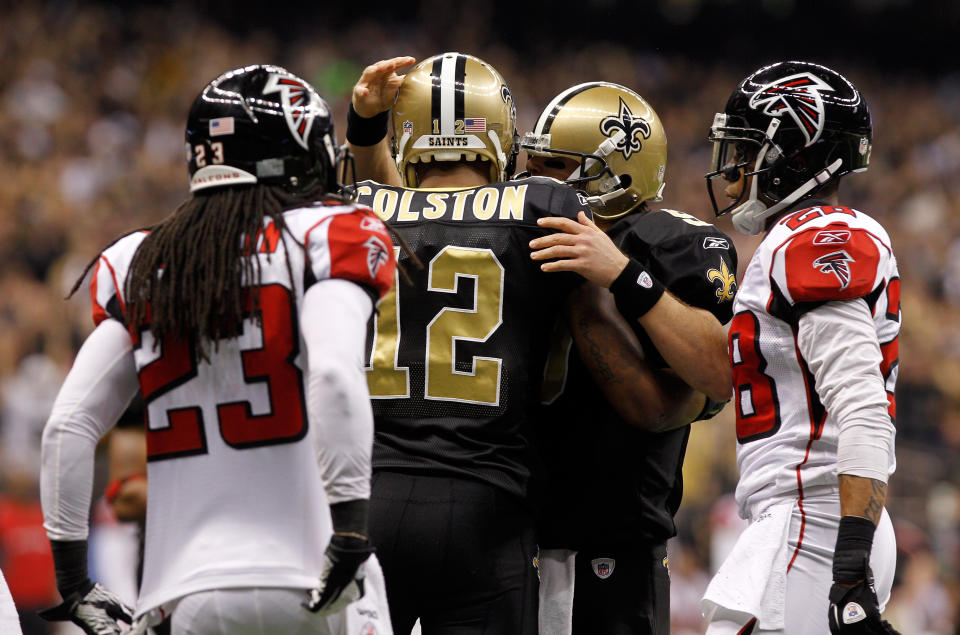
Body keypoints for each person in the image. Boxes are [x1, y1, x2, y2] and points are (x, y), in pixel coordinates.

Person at [39, 64, 395, 635]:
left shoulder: (138, 261)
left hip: (186, 592)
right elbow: (330, 373)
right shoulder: (327, 235)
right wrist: (350, 530)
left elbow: (67, 426)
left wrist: (73, 578)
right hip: (312, 574)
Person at [345, 54, 695, 635]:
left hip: (371, 493)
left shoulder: (354, 208)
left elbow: (412, 217)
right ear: (500, 133)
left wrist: (363, 128)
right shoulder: (544, 207)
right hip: (490, 503)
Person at [694, 61, 901, 634]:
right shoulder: (797, 237)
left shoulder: (815, 236)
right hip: (808, 519)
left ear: (797, 153)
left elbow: (861, 404)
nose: (733, 169)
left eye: (747, 149)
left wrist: (851, 566)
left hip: (815, 522)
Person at [523, 82, 736, 634]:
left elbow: (715, 374)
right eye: (533, 162)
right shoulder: (510, 229)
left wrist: (619, 274)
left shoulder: (670, 244)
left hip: (611, 535)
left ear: (620, 173)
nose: (537, 180)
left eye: (558, 166)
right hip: (509, 528)